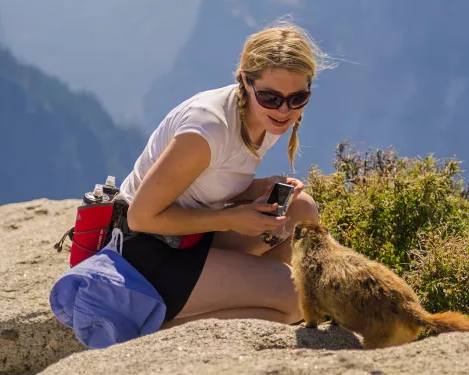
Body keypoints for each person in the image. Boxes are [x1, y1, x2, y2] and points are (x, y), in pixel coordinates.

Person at [119, 19, 333, 328]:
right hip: (146, 252)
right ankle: (158, 331)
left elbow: (208, 181)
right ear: (246, 81)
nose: (284, 110)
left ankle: (251, 296)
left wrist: (260, 186)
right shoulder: (207, 129)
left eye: (298, 98)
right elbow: (139, 217)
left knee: (301, 210)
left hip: (191, 238)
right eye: (271, 98)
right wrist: (231, 219)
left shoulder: (263, 117)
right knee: (297, 294)